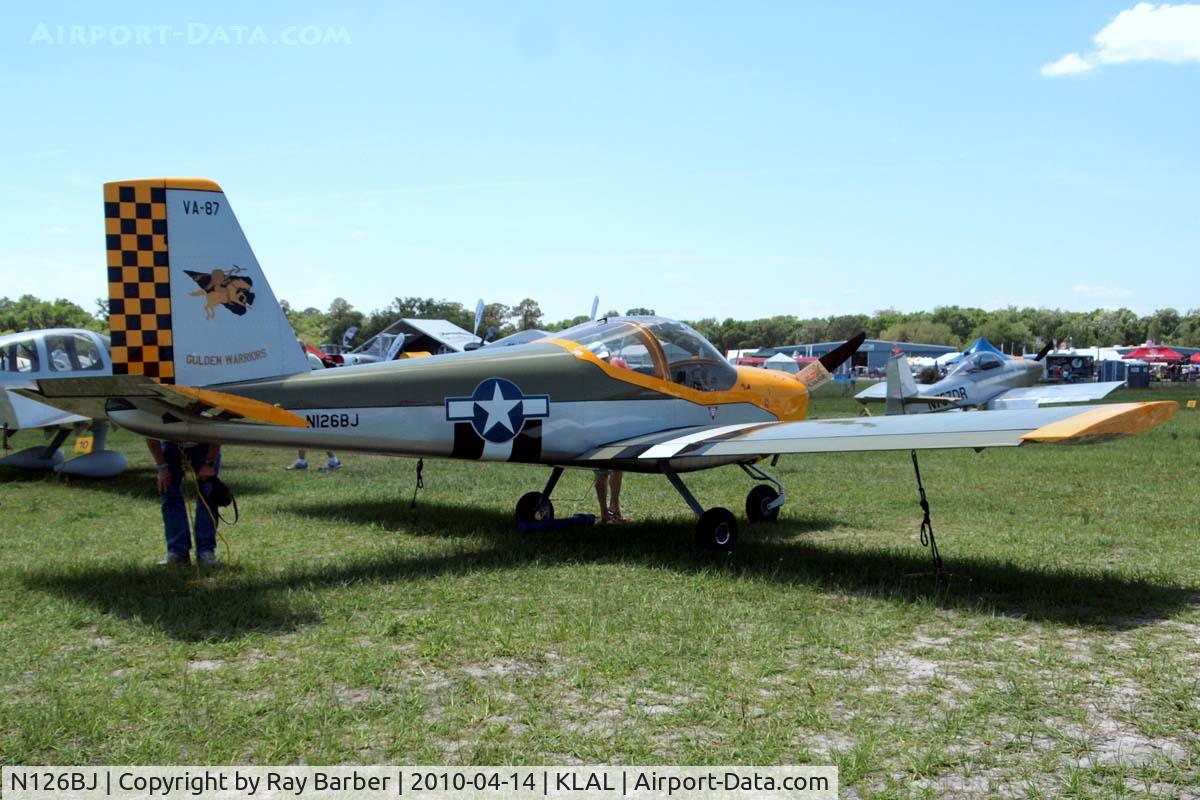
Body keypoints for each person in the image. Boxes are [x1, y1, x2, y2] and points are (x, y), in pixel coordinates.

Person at [146, 439, 222, 566]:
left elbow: (218, 431)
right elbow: (149, 433)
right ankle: (178, 553)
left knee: (208, 495)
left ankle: (206, 552)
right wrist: (162, 466)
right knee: (170, 494)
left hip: (205, 443)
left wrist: (209, 463)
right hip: (171, 445)